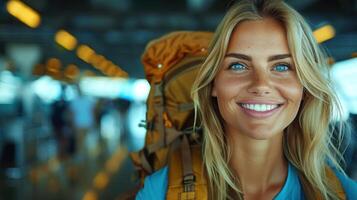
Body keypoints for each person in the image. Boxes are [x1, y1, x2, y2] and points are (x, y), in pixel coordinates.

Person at [136, 0, 357, 199]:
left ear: (304, 87)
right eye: (238, 66)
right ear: (213, 83)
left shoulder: (342, 193)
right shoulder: (160, 192)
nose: (261, 85)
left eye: (282, 66)